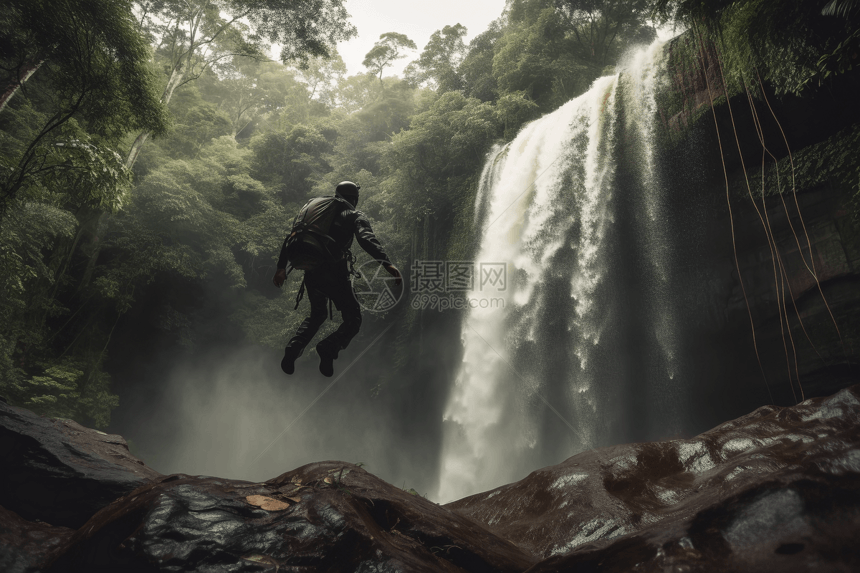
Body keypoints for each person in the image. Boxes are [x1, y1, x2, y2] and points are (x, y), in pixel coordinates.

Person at [272, 181, 402, 377]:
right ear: (354, 199)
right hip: (334, 273)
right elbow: (366, 238)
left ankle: (293, 349)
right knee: (353, 319)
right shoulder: (353, 214)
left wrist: (281, 268)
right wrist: (387, 263)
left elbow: (291, 236)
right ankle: (328, 348)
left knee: (317, 315)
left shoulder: (317, 211)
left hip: (312, 272)